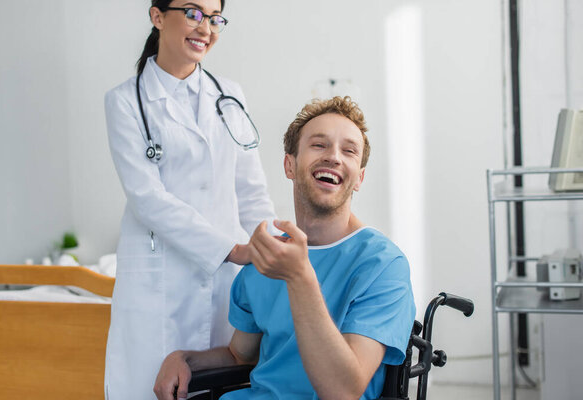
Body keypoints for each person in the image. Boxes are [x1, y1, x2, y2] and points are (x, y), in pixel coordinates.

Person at [153, 96, 416, 400]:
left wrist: (300, 278)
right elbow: (240, 356)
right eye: (319, 145)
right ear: (289, 165)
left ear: (359, 177)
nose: (334, 157)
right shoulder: (267, 260)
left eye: (349, 151)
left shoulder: (382, 265)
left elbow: (343, 391)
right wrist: (184, 359)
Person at [103, 0, 276, 398]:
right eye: (193, 13)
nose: (206, 28)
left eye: (214, 18)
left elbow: (251, 191)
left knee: (221, 386)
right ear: (157, 16)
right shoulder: (125, 101)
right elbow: (148, 199)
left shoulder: (229, 95)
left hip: (224, 289)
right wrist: (231, 249)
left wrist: (272, 247)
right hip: (158, 285)